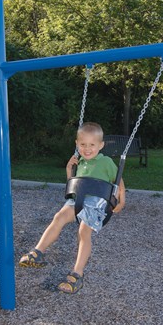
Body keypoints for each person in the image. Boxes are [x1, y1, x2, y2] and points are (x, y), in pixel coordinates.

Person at [19, 122, 126, 294]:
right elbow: (73, 186)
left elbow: (118, 181)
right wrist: (69, 169)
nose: (87, 148)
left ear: (101, 145)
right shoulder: (79, 161)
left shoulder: (106, 162)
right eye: (83, 144)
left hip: (97, 204)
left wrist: (122, 200)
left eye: (92, 145)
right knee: (58, 217)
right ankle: (38, 252)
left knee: (83, 232)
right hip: (77, 201)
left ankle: (77, 274)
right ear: (77, 144)